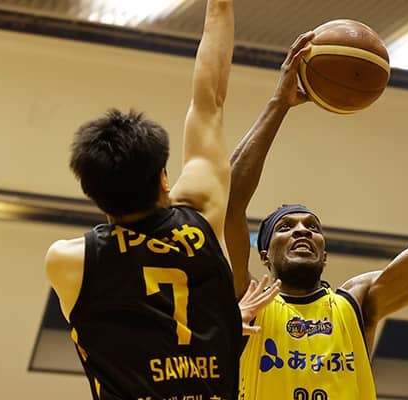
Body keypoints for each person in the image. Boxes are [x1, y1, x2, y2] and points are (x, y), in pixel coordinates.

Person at [43, 2, 277, 399]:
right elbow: (210, 103)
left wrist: (222, 320)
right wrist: (220, 6)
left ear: (93, 195)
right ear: (164, 178)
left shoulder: (70, 261)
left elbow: (141, 320)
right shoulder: (201, 214)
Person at [224, 32, 408, 399]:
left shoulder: (357, 302)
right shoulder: (248, 301)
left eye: (312, 226)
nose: (302, 231)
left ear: (324, 253)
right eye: (285, 227)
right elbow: (229, 203)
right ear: (264, 254)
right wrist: (279, 103)